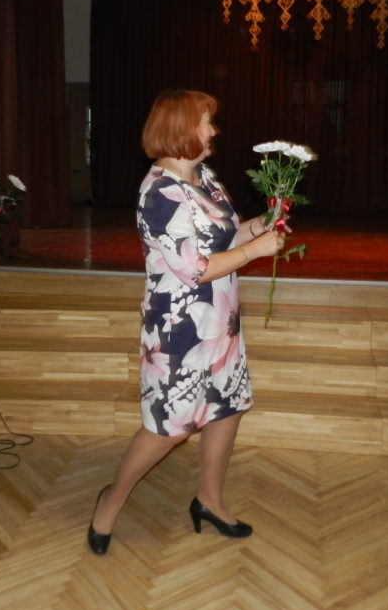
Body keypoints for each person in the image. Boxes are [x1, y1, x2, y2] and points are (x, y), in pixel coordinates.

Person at [87, 89, 285, 555]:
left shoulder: (205, 178)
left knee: (226, 407)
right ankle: (110, 502)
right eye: (205, 122)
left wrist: (260, 226)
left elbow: (225, 238)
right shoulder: (159, 193)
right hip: (179, 329)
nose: (214, 130)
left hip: (221, 320)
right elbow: (195, 268)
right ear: (180, 129)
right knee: (169, 427)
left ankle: (209, 501)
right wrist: (254, 251)